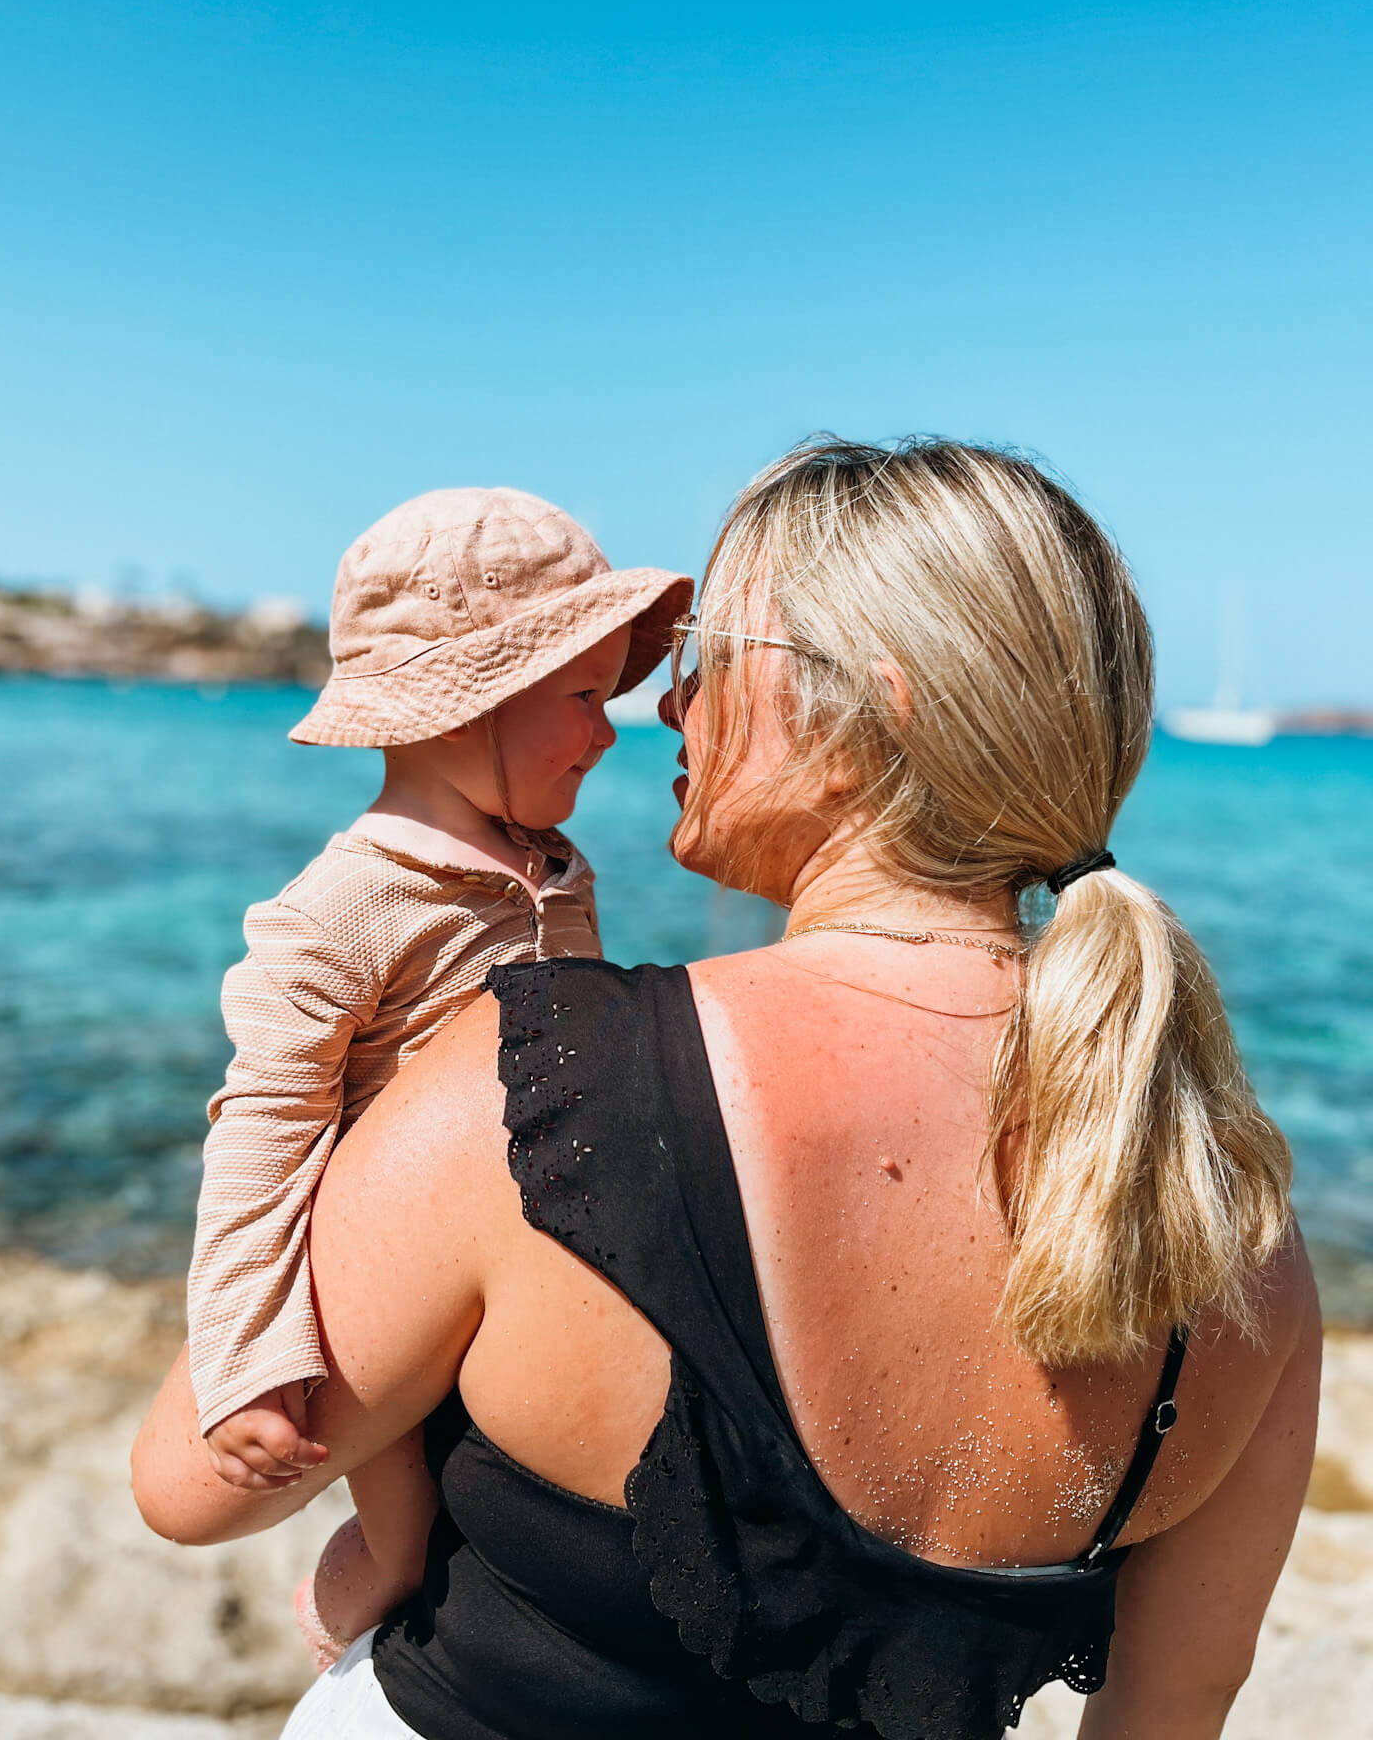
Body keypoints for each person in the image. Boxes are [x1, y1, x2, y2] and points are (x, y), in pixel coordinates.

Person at [137, 438, 1319, 1740]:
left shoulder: (541, 1093)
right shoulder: (1236, 1233)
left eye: (705, 661)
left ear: (861, 712)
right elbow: (1177, 1704)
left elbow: (195, 1488)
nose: (667, 709)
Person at [185, 484, 689, 1665]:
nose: (613, 728)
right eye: (582, 695)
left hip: (531, 1264)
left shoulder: (554, 864)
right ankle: (361, 1626)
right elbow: (259, 1141)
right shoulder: (340, 911)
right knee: (407, 1528)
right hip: (389, 1268)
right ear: (467, 709)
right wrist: (249, 1367)